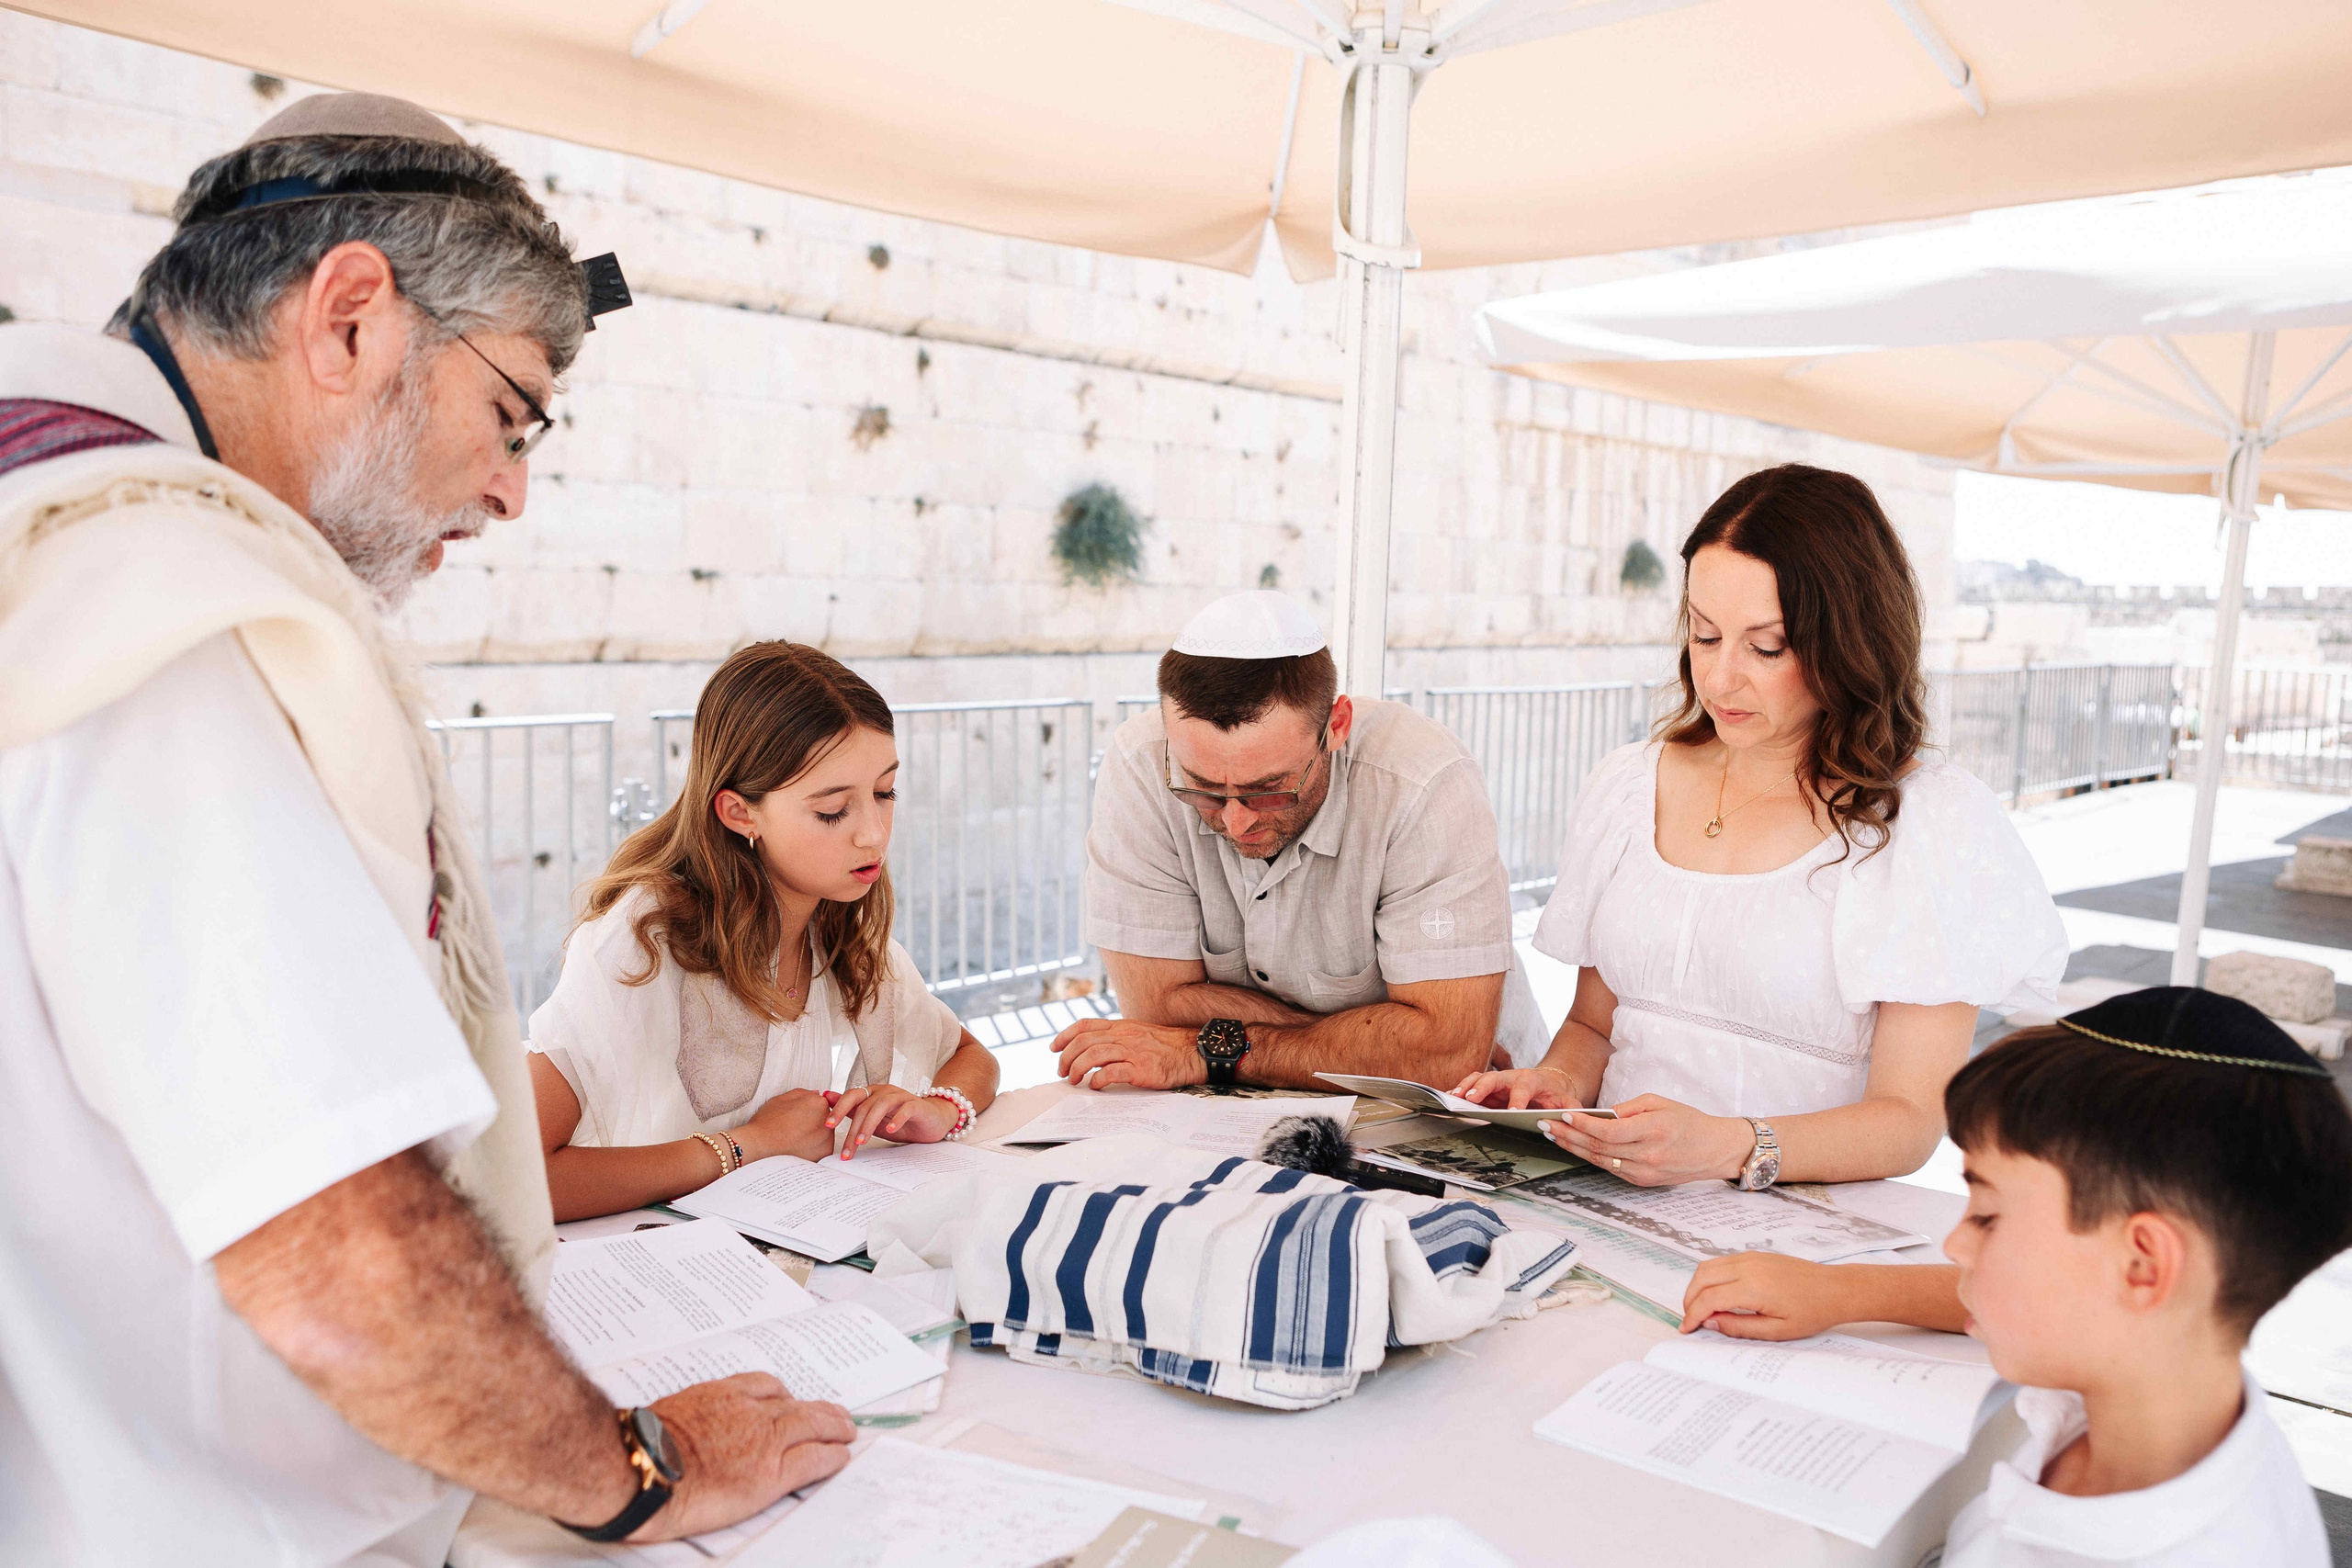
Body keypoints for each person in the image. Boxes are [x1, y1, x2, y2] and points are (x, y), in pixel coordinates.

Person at [0, 95, 849, 1563]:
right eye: (510, 411)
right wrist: (635, 1467)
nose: (512, 489)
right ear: (348, 317)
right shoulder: (165, 614)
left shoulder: (46, 523)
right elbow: (337, 1249)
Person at [1453, 465, 2067, 1187]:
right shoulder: (1630, 782)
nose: (1718, 678)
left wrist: (1733, 1146)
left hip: (1806, 1236)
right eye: (1705, 634)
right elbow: (1594, 1024)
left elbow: (1908, 1120)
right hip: (1612, 1197)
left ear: (1850, 641)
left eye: (1765, 646)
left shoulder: (1926, 821)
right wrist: (1555, 1082)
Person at [1679, 988, 2350, 1566]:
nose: (1955, 1242)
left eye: (1990, 1215)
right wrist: (1841, 1292)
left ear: (2144, 1265)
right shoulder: (2159, 1380)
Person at [528, 641, 999, 1220]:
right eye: (832, 810)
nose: (874, 834)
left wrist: (938, 1107)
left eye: (885, 793)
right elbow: (516, 1177)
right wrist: (750, 1147)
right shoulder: (645, 940)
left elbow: (972, 1056)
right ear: (739, 812)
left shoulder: (842, 932)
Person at [1054, 589, 1546, 1092]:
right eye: (1201, 788)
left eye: (1269, 790)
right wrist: (1396, 1048)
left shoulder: (1424, 782)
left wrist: (1212, 1046)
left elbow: (1443, 1060)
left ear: (1337, 726)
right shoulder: (1142, 764)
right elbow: (1155, 1005)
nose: (1235, 821)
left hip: (1481, 1098)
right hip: (1256, 1096)